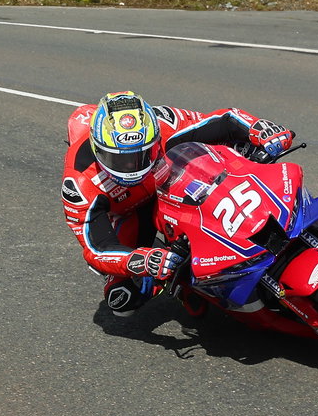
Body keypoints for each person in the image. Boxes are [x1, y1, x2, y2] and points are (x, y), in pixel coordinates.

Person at [60, 90, 295, 316]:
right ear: (97, 150)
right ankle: (187, 281)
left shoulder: (164, 123)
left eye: (140, 155)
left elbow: (223, 120)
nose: (131, 167)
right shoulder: (78, 183)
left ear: (153, 140)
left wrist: (259, 129)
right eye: (118, 159)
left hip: (174, 182)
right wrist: (140, 260)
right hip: (131, 214)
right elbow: (96, 248)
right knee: (123, 299)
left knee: (240, 154)